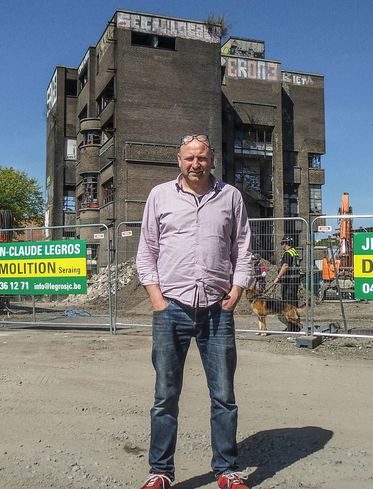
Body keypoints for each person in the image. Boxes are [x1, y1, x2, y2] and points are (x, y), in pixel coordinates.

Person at [136, 134, 253, 489]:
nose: (195, 163)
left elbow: (243, 247)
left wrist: (236, 291)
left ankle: (226, 470)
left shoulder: (230, 196)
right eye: (189, 158)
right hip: (171, 307)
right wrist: (157, 299)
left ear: (212, 160)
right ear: (179, 160)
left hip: (218, 310)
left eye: (202, 157)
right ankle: (160, 472)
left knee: (223, 394)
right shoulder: (160, 196)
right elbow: (147, 251)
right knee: (165, 394)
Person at [273, 236, 301, 307]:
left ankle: (290, 316)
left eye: (282, 244)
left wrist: (278, 277)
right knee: (293, 299)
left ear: (285, 243)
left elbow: (285, 266)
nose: (281, 246)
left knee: (288, 300)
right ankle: (295, 315)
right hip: (295, 279)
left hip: (289, 280)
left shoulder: (287, 253)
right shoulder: (294, 252)